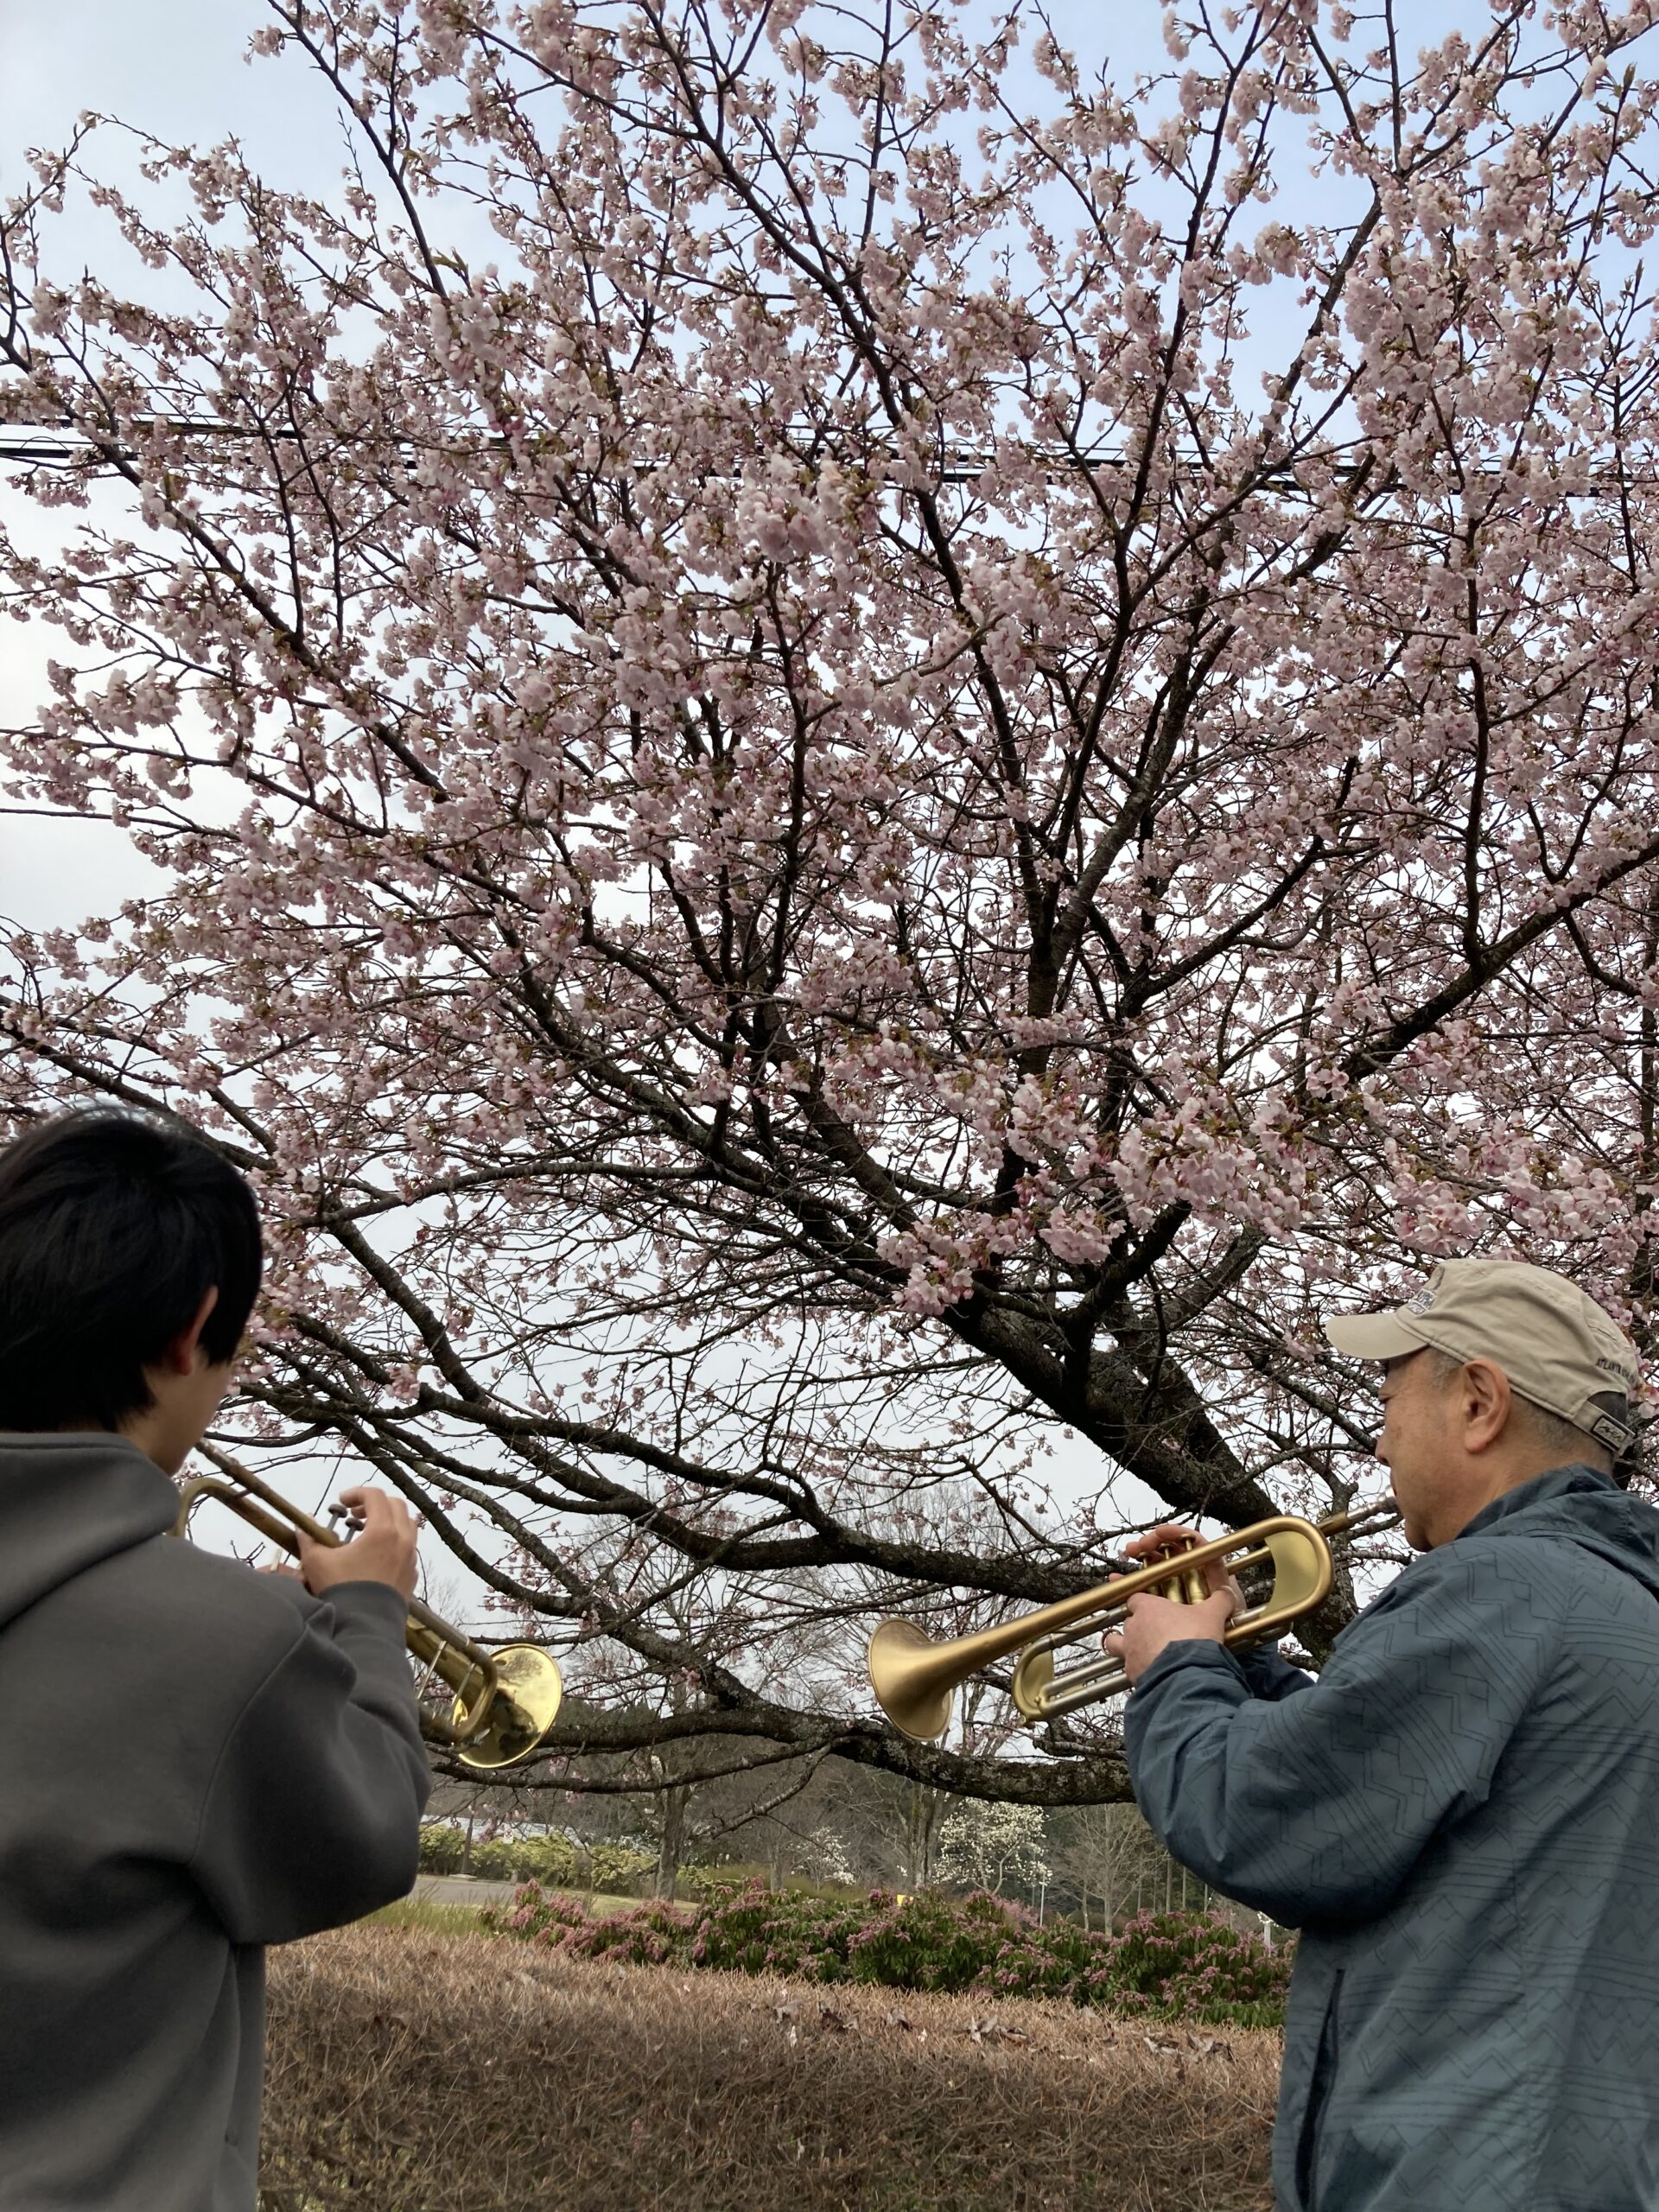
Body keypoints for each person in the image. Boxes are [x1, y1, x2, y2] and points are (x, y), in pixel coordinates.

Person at [1107, 1256, 1659, 2212]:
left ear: (1480, 1402)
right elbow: (1389, 1789)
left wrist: (1173, 1670)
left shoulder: (1496, 1587)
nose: (1374, 1439)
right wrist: (1236, 1659)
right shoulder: (1618, 1605)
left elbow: (1267, 1819)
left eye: (1393, 1393)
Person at [0, 1109, 430, 2211]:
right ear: (195, 1327)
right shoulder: (224, 1643)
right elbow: (364, 1837)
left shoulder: (216, 1638)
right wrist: (370, 1623)